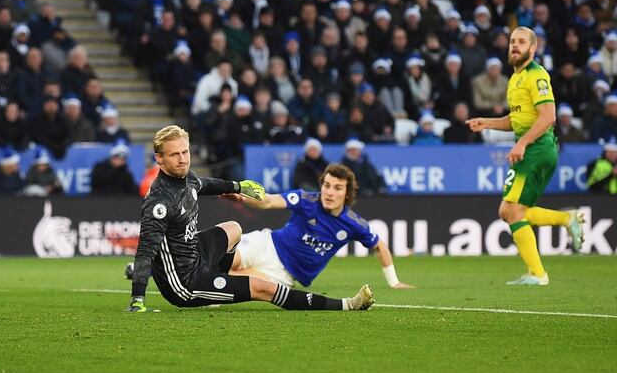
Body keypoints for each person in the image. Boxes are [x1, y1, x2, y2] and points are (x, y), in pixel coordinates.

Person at [125, 125, 373, 313]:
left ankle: (215, 286)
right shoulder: (159, 202)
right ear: (159, 158)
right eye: (175, 155)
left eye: (185, 152)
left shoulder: (186, 177)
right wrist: (138, 299)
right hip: (183, 281)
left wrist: (238, 186)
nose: (183, 159)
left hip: (194, 254)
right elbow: (146, 250)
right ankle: (347, 305)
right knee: (263, 288)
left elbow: (206, 184)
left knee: (233, 228)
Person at [466, 27, 584, 285]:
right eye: (512, 42)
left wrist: (522, 143)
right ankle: (567, 221)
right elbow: (516, 120)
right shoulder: (515, 79)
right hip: (536, 148)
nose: (514, 46)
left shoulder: (537, 75)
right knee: (515, 211)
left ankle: (539, 273)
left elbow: (548, 116)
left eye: (521, 42)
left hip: (538, 148)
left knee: (509, 210)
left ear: (533, 48)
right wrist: (487, 123)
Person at [227, 163, 413, 289]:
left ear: (347, 194)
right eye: (327, 185)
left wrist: (394, 282)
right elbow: (269, 201)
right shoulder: (305, 199)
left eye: (337, 188)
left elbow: (379, 246)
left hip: (282, 275)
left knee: (228, 281)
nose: (330, 192)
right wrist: (242, 197)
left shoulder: (354, 223)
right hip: (265, 245)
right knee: (222, 260)